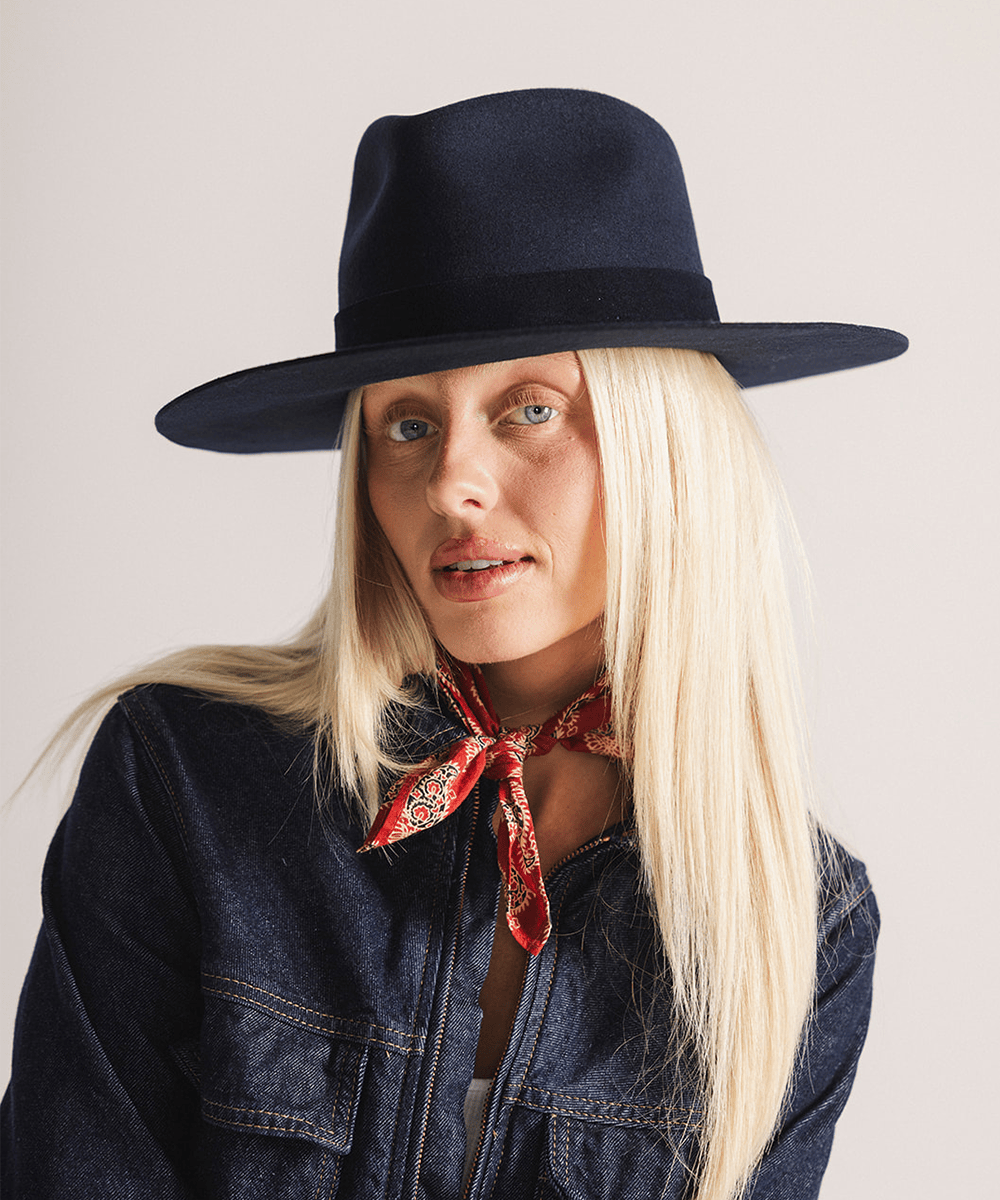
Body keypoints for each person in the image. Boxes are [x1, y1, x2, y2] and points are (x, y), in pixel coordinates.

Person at [1, 89, 905, 1199]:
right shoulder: (192, 783)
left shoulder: (791, 923)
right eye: (408, 424)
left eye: (528, 409)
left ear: (665, 446)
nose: (449, 483)